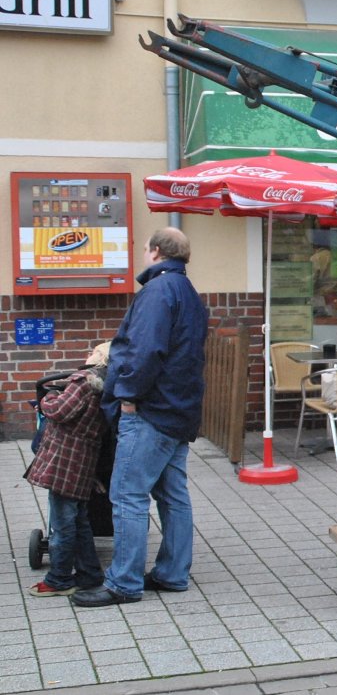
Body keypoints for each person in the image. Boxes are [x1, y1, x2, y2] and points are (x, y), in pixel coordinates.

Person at [73, 227, 208, 608]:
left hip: (151, 410)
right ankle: (172, 573)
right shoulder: (188, 291)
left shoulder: (158, 291)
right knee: (173, 495)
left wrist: (128, 396)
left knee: (127, 495)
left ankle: (124, 582)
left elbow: (144, 350)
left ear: (156, 251)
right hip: (179, 410)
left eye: (146, 249)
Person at [24, 343, 111, 597]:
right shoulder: (107, 386)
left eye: (93, 350)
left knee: (62, 525)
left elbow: (59, 411)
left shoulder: (83, 381)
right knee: (80, 521)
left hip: (65, 460)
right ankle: (89, 574)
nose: (88, 354)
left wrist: (48, 398)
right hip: (84, 459)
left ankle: (59, 579)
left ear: (100, 357)